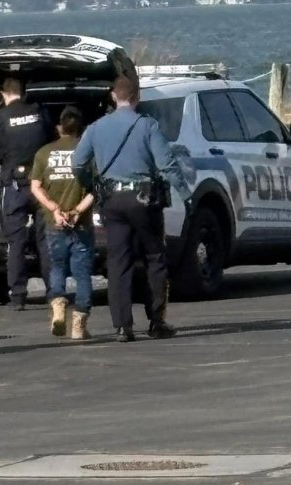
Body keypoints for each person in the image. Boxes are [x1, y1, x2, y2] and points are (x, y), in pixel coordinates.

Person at [72, 75, 191, 342]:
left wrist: (93, 184)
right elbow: (166, 164)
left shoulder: (95, 128)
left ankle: (122, 326)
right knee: (154, 258)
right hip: (144, 199)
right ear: (137, 97)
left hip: (112, 200)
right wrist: (186, 194)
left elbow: (78, 163)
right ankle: (157, 321)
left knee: (118, 262)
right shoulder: (147, 126)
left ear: (113, 96)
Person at [0, 76, 53, 310]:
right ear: (23, 91)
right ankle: (53, 291)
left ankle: (18, 295)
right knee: (44, 240)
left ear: (5, 94)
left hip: (15, 186)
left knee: (15, 243)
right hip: (41, 185)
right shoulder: (40, 112)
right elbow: (52, 141)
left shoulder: (0, 118)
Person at [30, 106, 94, 340]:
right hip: (81, 224)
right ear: (81, 130)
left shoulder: (44, 153)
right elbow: (95, 190)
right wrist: (76, 211)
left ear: (59, 127)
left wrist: (54, 209)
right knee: (82, 274)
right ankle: (79, 324)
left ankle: (57, 302)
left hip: (53, 223)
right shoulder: (87, 152)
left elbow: (35, 186)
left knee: (57, 267)